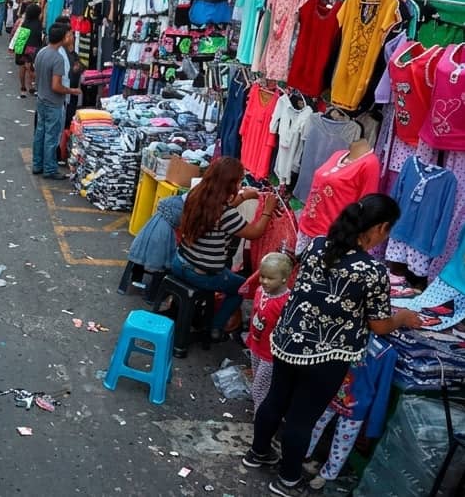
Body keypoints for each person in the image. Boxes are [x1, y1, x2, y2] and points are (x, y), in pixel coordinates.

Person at [244, 194, 422, 497]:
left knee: (276, 399)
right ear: (380, 228)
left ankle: (257, 453)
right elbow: (379, 325)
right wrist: (402, 317)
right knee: (302, 417)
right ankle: (287, 480)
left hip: (288, 340)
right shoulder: (372, 271)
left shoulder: (316, 246)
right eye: (388, 230)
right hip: (325, 355)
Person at [172, 157, 277, 338]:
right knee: (242, 287)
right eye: (239, 181)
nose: (240, 185)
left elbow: (217, 213)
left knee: (230, 276)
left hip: (179, 262)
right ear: (230, 184)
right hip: (201, 273)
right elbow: (254, 233)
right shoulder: (226, 214)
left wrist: (243, 197)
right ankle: (215, 327)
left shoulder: (196, 194)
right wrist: (268, 210)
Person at [31, 23, 80, 180]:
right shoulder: (58, 58)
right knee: (51, 137)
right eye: (69, 35)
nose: (71, 37)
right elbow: (56, 86)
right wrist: (72, 91)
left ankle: (37, 164)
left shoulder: (42, 52)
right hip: (53, 102)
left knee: (40, 133)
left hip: (41, 99)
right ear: (63, 38)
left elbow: (36, 75)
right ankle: (50, 168)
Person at [245, 252, 294, 413]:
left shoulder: (286, 302)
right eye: (262, 276)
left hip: (270, 354)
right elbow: (255, 315)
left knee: (259, 388)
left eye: (270, 278)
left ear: (284, 278)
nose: (264, 281)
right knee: (257, 381)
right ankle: (260, 410)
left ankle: (260, 417)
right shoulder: (260, 291)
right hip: (256, 345)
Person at [16, 4, 44, 98]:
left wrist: (18, 51)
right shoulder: (38, 24)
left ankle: (22, 88)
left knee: (22, 68)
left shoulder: (25, 23)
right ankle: (32, 86)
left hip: (22, 48)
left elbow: (21, 38)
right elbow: (39, 39)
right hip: (33, 49)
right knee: (31, 68)